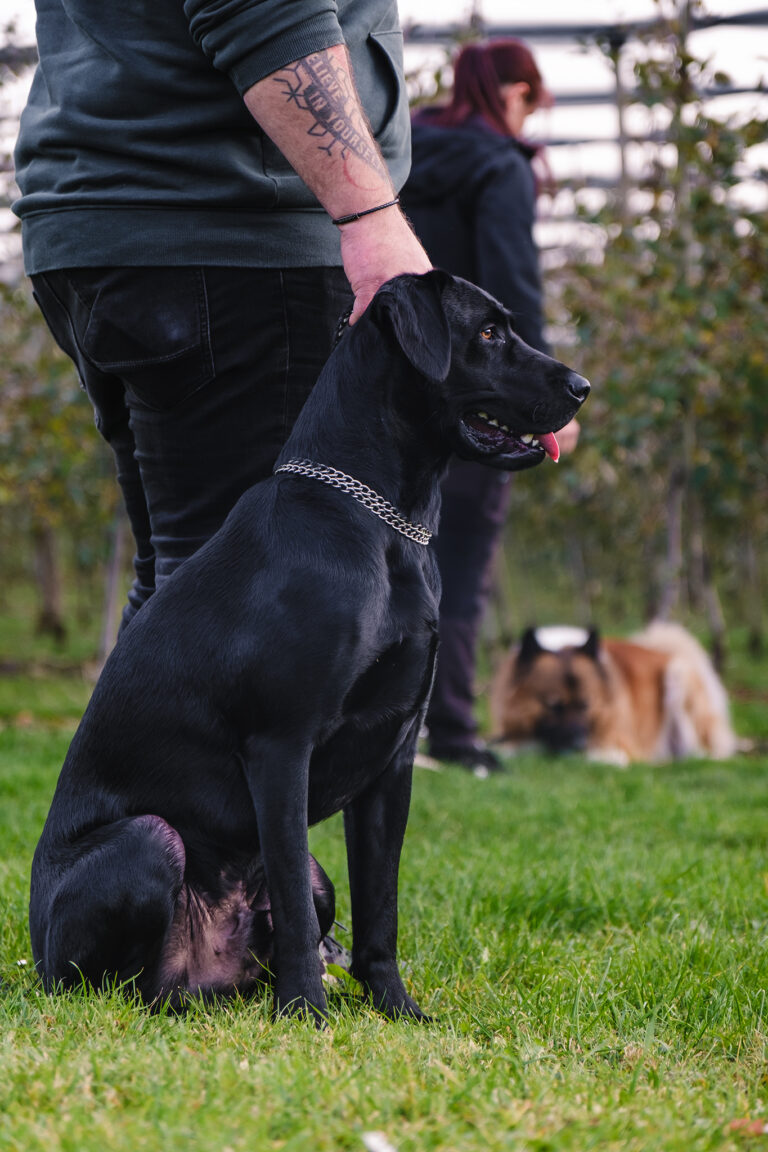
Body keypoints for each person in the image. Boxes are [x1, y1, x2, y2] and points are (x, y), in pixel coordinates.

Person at [13, 1, 431, 633]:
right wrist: (369, 216)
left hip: (119, 217)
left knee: (187, 593)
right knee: (260, 615)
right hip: (236, 237)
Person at [401, 38, 579, 776]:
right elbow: (513, 284)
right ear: (512, 92)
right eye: (531, 99)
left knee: (384, 553)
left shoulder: (398, 149)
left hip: (393, 380)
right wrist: (547, 403)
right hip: (480, 398)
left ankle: (374, 732)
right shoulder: (500, 168)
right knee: (461, 563)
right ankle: (452, 734)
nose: (529, 113)